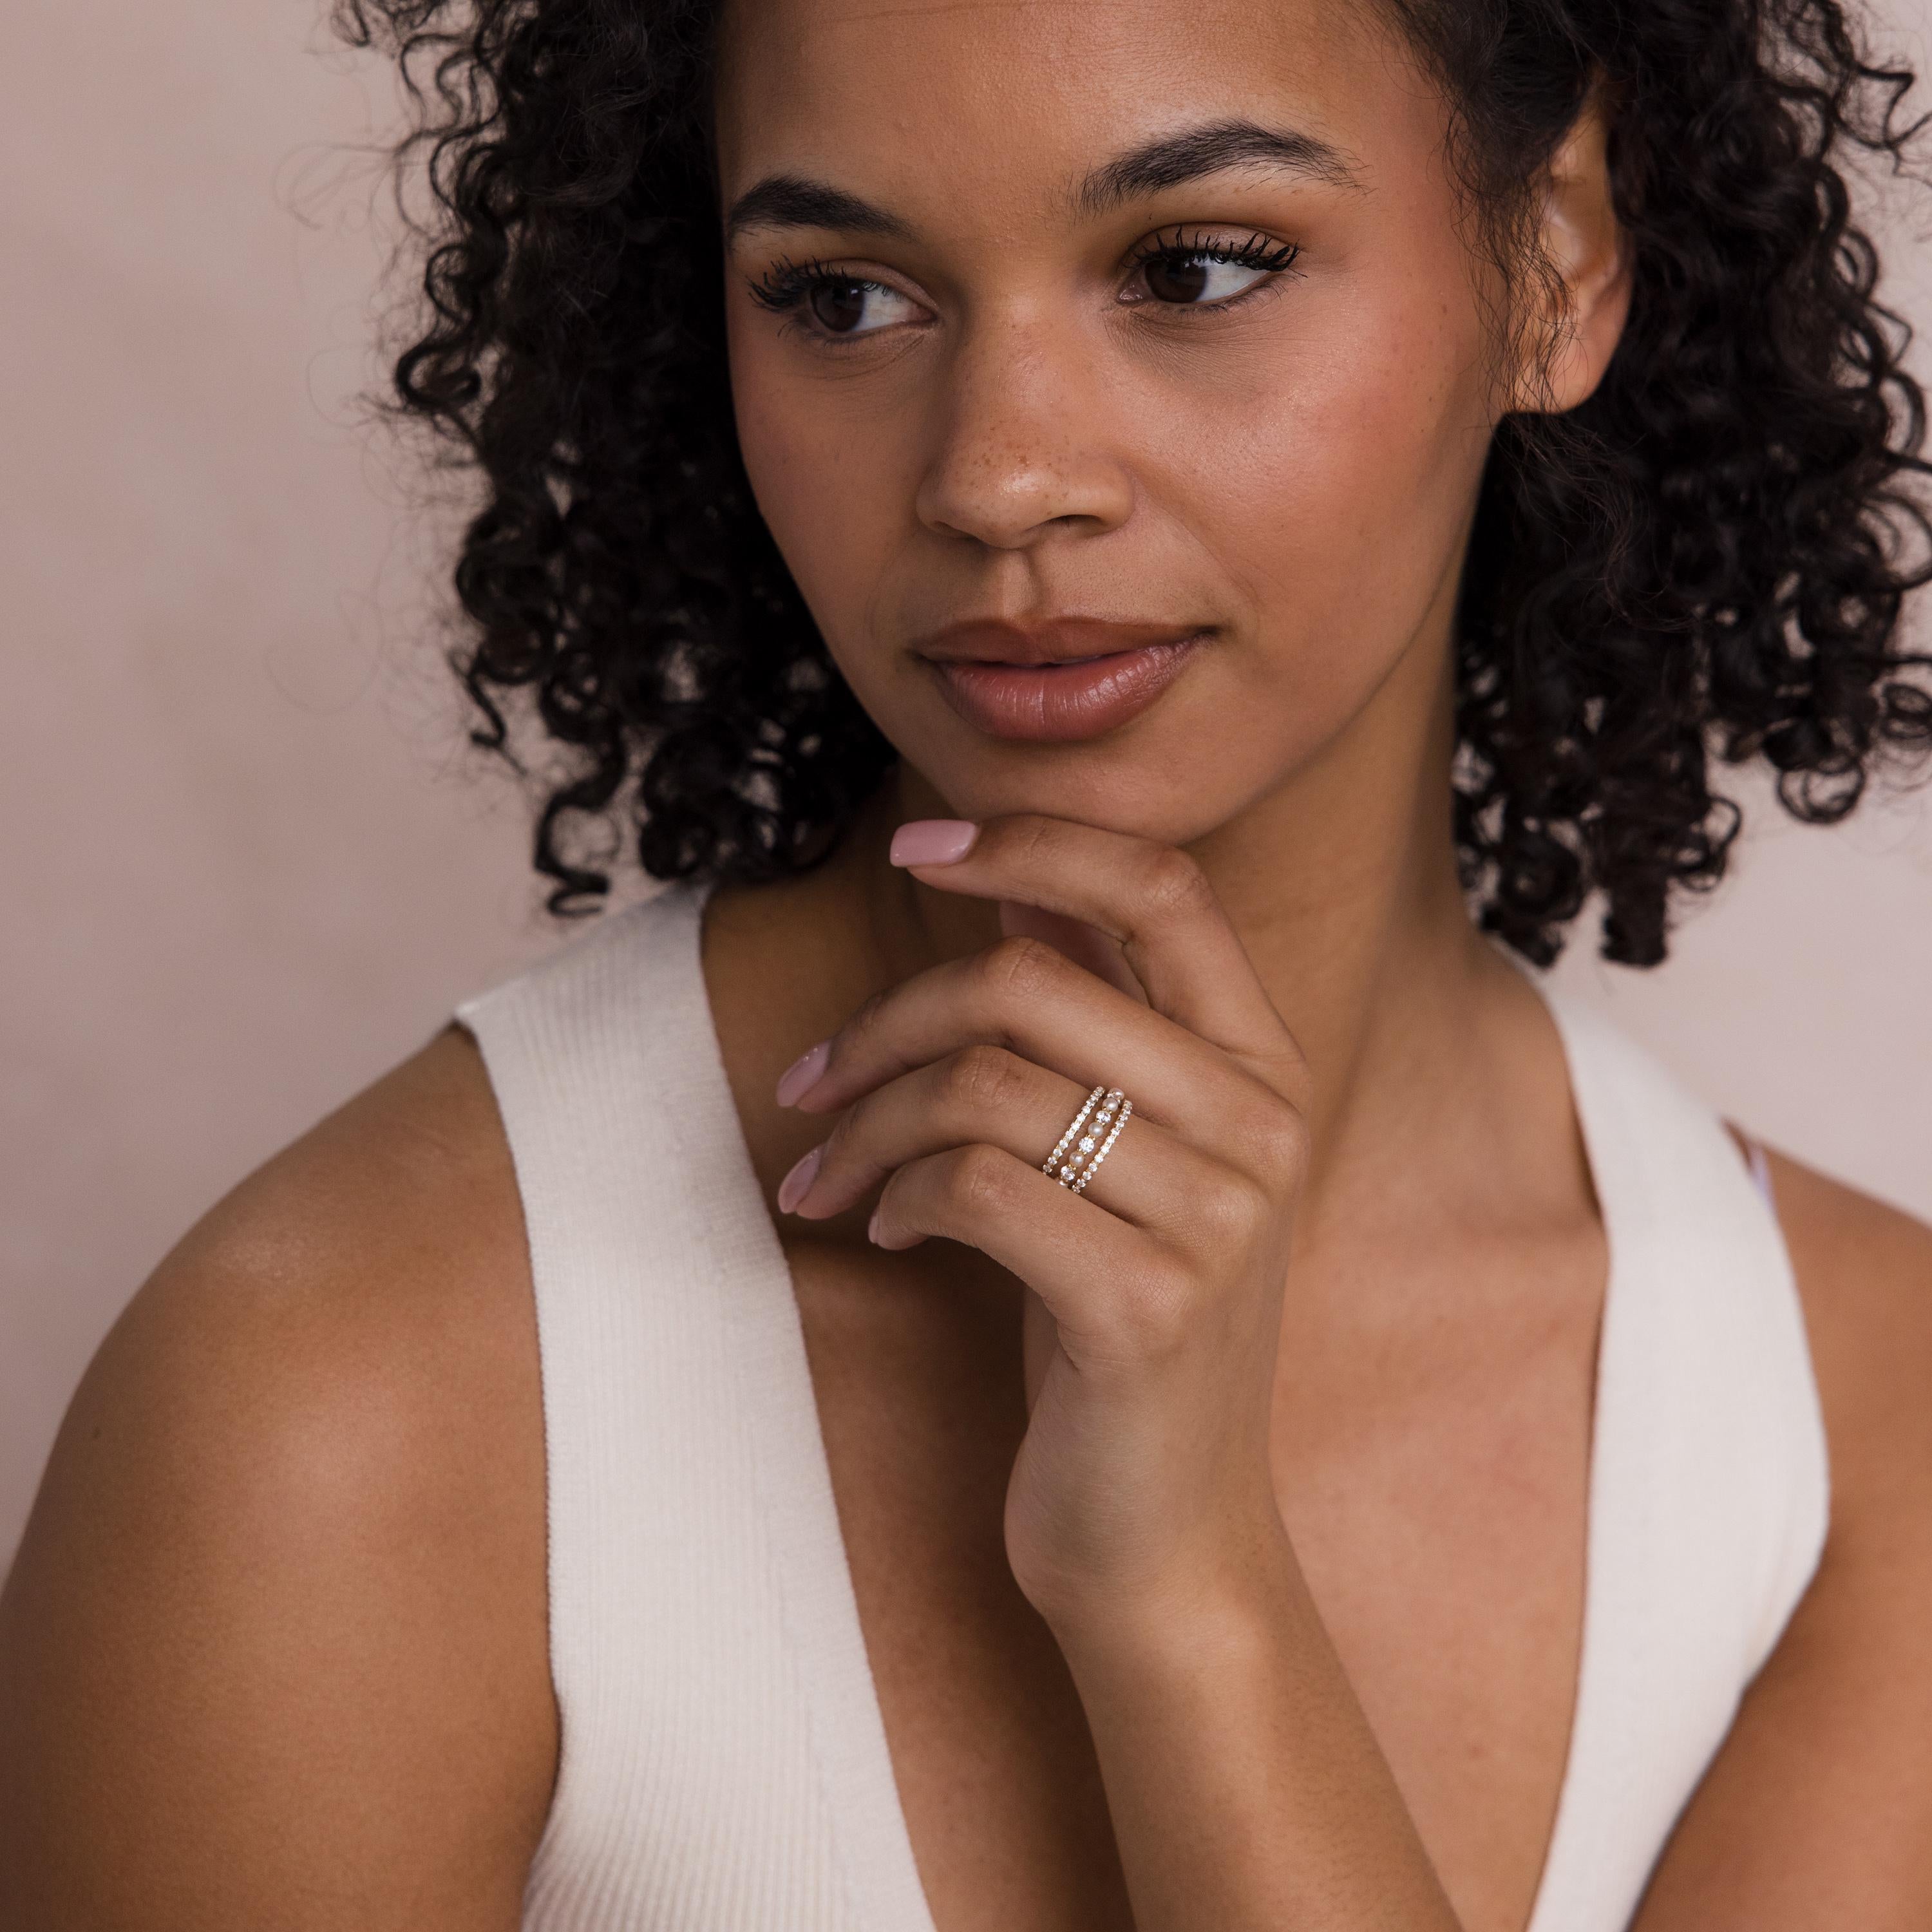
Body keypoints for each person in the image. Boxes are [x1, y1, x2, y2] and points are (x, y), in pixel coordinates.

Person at [6, 0, 1932, 1924]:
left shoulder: (1861, 1439)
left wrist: (1193, 1601)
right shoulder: (339, 1418)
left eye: (1195, 265)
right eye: (842, 296)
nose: (999, 479)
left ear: (1560, 256)